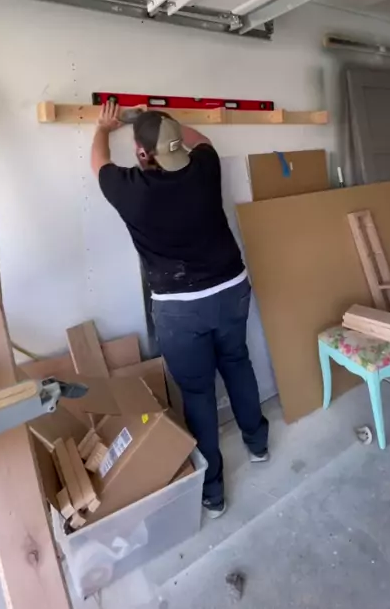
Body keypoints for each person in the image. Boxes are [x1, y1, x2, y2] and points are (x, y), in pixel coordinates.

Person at [91, 101, 269, 517]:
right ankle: (258, 444)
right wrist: (164, 121)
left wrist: (103, 127)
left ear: (141, 153)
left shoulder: (130, 190)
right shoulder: (205, 167)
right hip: (231, 289)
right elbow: (201, 139)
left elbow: (98, 163)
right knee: (237, 362)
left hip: (180, 309)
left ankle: (213, 491)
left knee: (197, 392)